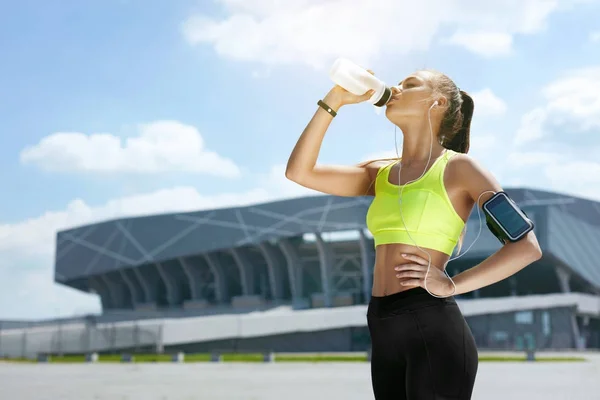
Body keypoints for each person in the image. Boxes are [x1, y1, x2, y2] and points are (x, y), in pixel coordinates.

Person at [285, 69, 542, 400]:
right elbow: (299, 172)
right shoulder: (379, 174)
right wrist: (335, 99)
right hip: (382, 322)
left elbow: (527, 247)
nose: (395, 88)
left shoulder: (460, 169)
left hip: (431, 324)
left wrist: (452, 284)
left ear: (437, 102)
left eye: (409, 85)